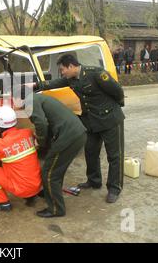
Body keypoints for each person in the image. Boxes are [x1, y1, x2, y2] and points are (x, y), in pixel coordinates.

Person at [35, 54, 125, 203]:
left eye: (63, 69)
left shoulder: (96, 73)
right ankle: (94, 180)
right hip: (91, 121)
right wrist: (35, 86)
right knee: (90, 151)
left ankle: (114, 188)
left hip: (110, 119)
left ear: (71, 66)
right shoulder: (71, 79)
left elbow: (117, 91)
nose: (62, 72)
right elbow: (54, 83)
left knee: (114, 155)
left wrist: (113, 108)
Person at [16, 88, 87, 218]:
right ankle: (50, 191)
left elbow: (41, 123)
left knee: (49, 172)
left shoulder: (30, 101)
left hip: (69, 136)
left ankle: (56, 209)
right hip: (77, 133)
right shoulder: (38, 98)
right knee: (57, 168)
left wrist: (39, 142)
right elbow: (48, 122)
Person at [0, 106, 42, 212]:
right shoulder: (28, 133)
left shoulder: (0, 145)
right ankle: (31, 196)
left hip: (22, 190)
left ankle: (2, 203)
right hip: (37, 185)